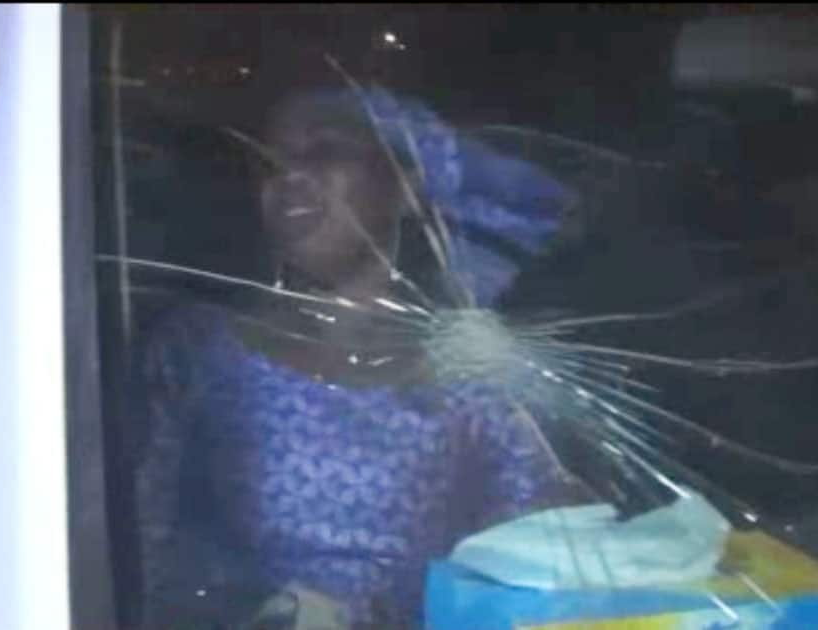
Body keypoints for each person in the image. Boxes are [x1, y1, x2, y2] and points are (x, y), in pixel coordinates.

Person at [135, 88, 580, 629]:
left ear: (408, 186)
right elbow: (133, 557)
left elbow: (547, 573)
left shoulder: (473, 382)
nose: (289, 175)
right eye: (270, 161)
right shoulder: (200, 352)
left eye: (324, 151)